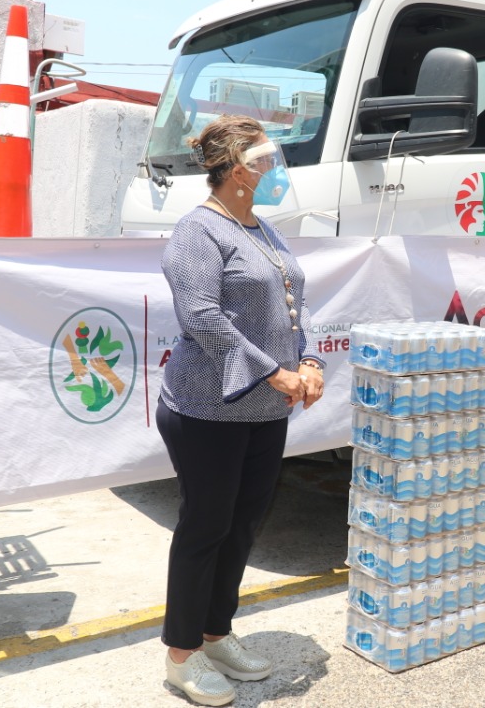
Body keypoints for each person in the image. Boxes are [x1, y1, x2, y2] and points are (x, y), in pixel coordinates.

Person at [156, 114, 325, 706]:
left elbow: (294, 301)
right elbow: (201, 315)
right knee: (206, 526)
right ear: (235, 171)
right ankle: (181, 654)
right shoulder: (198, 231)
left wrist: (309, 363)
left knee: (243, 525)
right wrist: (272, 370)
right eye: (267, 161)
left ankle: (215, 632)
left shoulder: (263, 229)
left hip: (264, 411)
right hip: (207, 409)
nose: (277, 172)